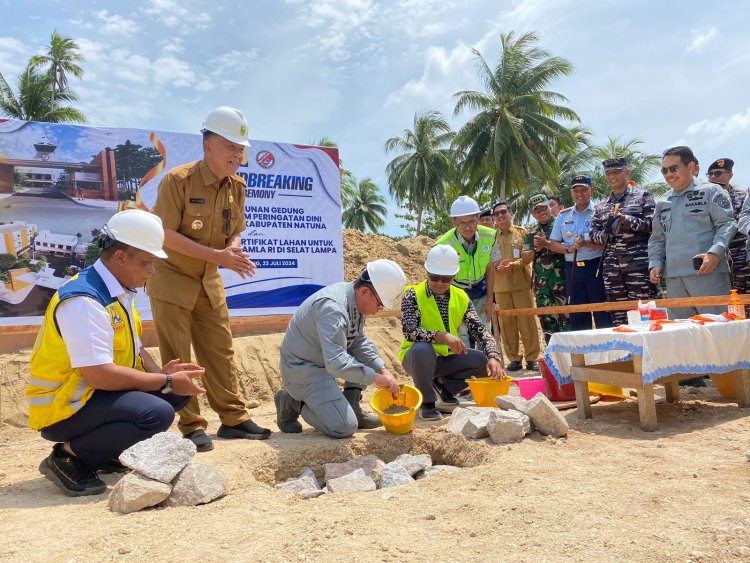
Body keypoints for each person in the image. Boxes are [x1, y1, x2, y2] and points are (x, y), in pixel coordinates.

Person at [26, 210, 206, 497]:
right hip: (63, 408)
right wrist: (166, 382)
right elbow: (100, 376)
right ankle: (67, 456)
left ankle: (104, 451)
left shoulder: (117, 291)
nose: (151, 270)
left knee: (174, 393)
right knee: (157, 411)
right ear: (120, 257)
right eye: (146, 262)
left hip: (92, 397)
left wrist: (162, 375)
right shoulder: (85, 300)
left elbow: (136, 348)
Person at [147, 106, 270, 452]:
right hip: (172, 278)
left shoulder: (238, 187)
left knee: (221, 351)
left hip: (208, 281)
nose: (238, 154)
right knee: (178, 353)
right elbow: (165, 236)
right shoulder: (178, 181)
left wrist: (233, 250)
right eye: (230, 145)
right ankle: (191, 425)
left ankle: (233, 419)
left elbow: (236, 231)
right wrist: (218, 257)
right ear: (208, 146)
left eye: (240, 147)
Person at [275, 260, 406, 438]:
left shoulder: (354, 299)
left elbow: (357, 341)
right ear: (365, 291)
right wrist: (375, 378)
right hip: (304, 370)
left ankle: (351, 406)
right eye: (380, 304)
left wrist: (382, 369)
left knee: (360, 354)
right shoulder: (333, 309)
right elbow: (336, 362)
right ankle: (294, 401)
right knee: (344, 427)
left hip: (322, 362)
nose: (378, 310)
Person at [400, 245, 505, 420]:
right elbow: (410, 331)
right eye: (435, 277)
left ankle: (444, 386)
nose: (440, 282)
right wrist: (441, 336)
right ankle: (427, 403)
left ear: (454, 276)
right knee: (422, 349)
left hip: (445, 359)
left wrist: (494, 356)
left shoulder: (461, 297)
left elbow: (480, 330)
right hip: (416, 358)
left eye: (446, 278)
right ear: (426, 271)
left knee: (481, 360)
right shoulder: (412, 294)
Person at [649, 146, 736, 319]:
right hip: (674, 279)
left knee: (717, 331)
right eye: (664, 170)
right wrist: (655, 262)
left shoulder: (711, 191)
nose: (669, 174)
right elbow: (657, 238)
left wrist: (715, 253)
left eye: (674, 168)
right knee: (682, 335)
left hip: (707, 273)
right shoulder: (662, 202)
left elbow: (727, 224)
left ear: (690, 167)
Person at [589, 157, 659, 325]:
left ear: (627, 172)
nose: (612, 176)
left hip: (639, 265)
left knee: (646, 313)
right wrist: (608, 234)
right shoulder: (601, 206)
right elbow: (593, 234)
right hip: (612, 268)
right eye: (608, 173)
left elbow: (653, 226)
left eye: (616, 172)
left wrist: (627, 221)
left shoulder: (643, 196)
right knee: (619, 317)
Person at [548, 176, 613, 331]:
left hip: (596, 267)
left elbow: (609, 243)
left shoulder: (600, 212)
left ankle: (610, 353)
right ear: (571, 192)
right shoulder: (563, 216)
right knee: (578, 315)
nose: (580, 194)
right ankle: (583, 354)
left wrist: (586, 243)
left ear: (592, 190)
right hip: (573, 269)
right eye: (576, 190)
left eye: (584, 189)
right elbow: (553, 244)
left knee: (603, 312)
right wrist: (568, 249)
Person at [434, 195, 496, 347]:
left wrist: (490, 299)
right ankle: (466, 368)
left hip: (481, 289)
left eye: (472, 222)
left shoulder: (490, 236)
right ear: (453, 222)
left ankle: (485, 366)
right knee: (461, 332)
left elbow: (490, 268)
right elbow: (439, 279)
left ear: (478, 218)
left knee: (484, 331)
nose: (467, 227)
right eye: (462, 223)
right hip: (456, 290)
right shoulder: (443, 245)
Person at [491, 200, 540, 371]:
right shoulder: (490, 237)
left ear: (510, 213)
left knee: (527, 320)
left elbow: (529, 254)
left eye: (503, 212)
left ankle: (532, 357)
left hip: (521, 283)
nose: (500, 216)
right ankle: (514, 358)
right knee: (507, 324)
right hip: (500, 286)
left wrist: (513, 264)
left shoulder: (522, 232)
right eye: (496, 214)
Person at [522, 194, 570, 342]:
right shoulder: (530, 232)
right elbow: (524, 258)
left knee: (567, 323)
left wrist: (547, 243)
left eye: (544, 208)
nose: (541, 212)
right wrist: (536, 248)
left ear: (549, 207)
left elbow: (569, 248)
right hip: (542, 287)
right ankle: (553, 362)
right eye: (537, 210)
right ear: (532, 214)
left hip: (562, 283)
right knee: (548, 326)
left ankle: (571, 360)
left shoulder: (562, 224)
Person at [706, 158, 748, 300]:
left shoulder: (743, 196)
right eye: (710, 174)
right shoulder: (703, 199)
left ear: (730, 175)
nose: (712, 177)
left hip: (740, 254)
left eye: (717, 173)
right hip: (714, 256)